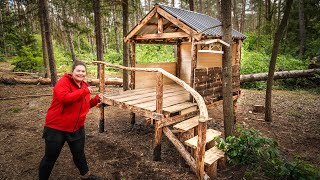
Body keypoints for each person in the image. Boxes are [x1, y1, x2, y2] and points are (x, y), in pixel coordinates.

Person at [39, 60, 102, 180]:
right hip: (56, 128)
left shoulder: (83, 86)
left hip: (76, 128)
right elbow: (65, 98)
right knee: (50, 157)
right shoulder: (63, 83)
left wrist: (96, 99)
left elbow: (85, 105)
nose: (81, 73)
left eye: (83, 71)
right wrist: (85, 91)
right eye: (78, 70)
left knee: (79, 154)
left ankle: (86, 175)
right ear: (72, 71)